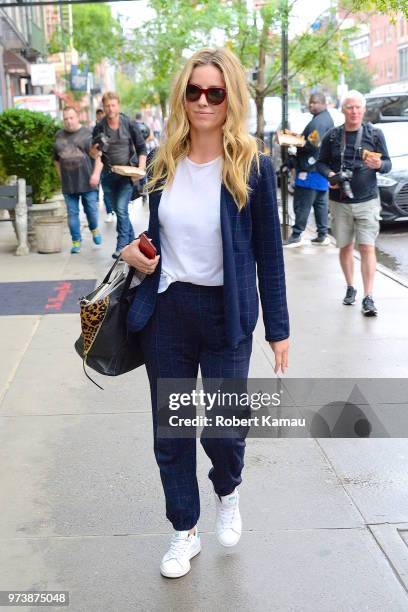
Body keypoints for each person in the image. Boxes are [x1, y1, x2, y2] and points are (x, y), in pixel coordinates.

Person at [121, 47, 289, 579]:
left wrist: (278, 329)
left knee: (221, 428)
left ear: (230, 97)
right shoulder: (161, 161)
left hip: (227, 313)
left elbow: (270, 252)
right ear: (182, 95)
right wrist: (131, 251)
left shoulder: (254, 167)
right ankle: (183, 531)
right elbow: (145, 230)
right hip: (168, 310)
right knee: (171, 430)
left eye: (214, 92)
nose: (202, 101)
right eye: (193, 91)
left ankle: (228, 488)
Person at [317, 90, 391, 316]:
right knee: (345, 246)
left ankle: (368, 297)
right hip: (340, 203)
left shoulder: (375, 134)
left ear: (364, 109)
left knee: (367, 247)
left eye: (358, 107)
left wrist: (378, 165)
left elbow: (387, 164)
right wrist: (331, 176)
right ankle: (351, 287)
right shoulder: (332, 136)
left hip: (367, 200)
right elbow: (320, 164)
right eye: (350, 107)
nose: (354, 111)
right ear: (342, 110)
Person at [90, 92, 147, 259]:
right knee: (118, 210)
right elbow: (94, 153)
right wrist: (94, 150)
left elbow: (142, 148)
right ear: (104, 107)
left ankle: (121, 246)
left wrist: (140, 170)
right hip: (108, 175)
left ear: (118, 106)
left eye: (113, 105)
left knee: (121, 209)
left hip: (126, 175)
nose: (110, 109)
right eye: (107, 106)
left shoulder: (128, 123)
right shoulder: (99, 127)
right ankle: (132, 240)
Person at [284, 93, 334, 247]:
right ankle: (322, 234)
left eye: (314, 102)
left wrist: (293, 141)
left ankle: (297, 235)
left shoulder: (319, 122)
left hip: (310, 168)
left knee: (303, 202)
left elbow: (312, 144)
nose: (311, 105)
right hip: (320, 168)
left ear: (323, 104)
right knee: (320, 203)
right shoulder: (324, 119)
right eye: (310, 102)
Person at [54, 107, 102, 254]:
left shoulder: (88, 133)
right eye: (66, 118)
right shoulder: (59, 135)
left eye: (71, 118)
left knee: (91, 211)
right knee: (72, 213)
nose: (68, 121)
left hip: (88, 181)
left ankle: (94, 228)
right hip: (69, 184)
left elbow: (99, 155)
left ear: (77, 117)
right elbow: (56, 160)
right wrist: (61, 177)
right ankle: (76, 241)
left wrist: (96, 175)